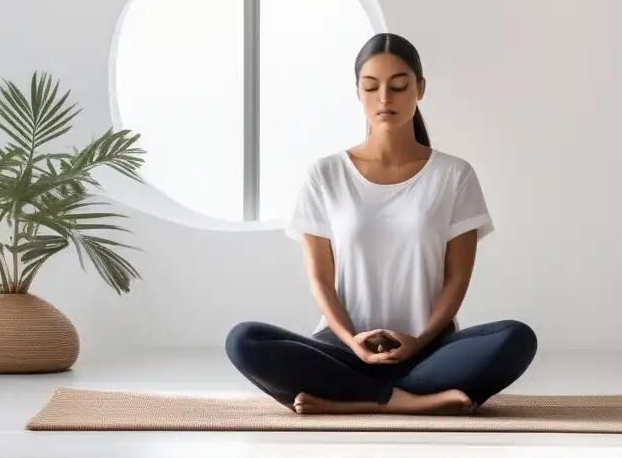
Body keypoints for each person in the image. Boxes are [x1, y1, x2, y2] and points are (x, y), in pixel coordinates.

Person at [225, 33, 537, 415]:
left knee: (516, 338)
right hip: (343, 349)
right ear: (357, 92)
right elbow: (321, 280)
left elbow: (457, 279)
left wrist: (420, 340)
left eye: (399, 86)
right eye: (371, 87)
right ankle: (402, 400)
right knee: (244, 340)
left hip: (429, 350)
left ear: (419, 89)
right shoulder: (325, 175)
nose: (384, 98)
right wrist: (353, 341)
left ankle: (351, 399)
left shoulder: (454, 175)